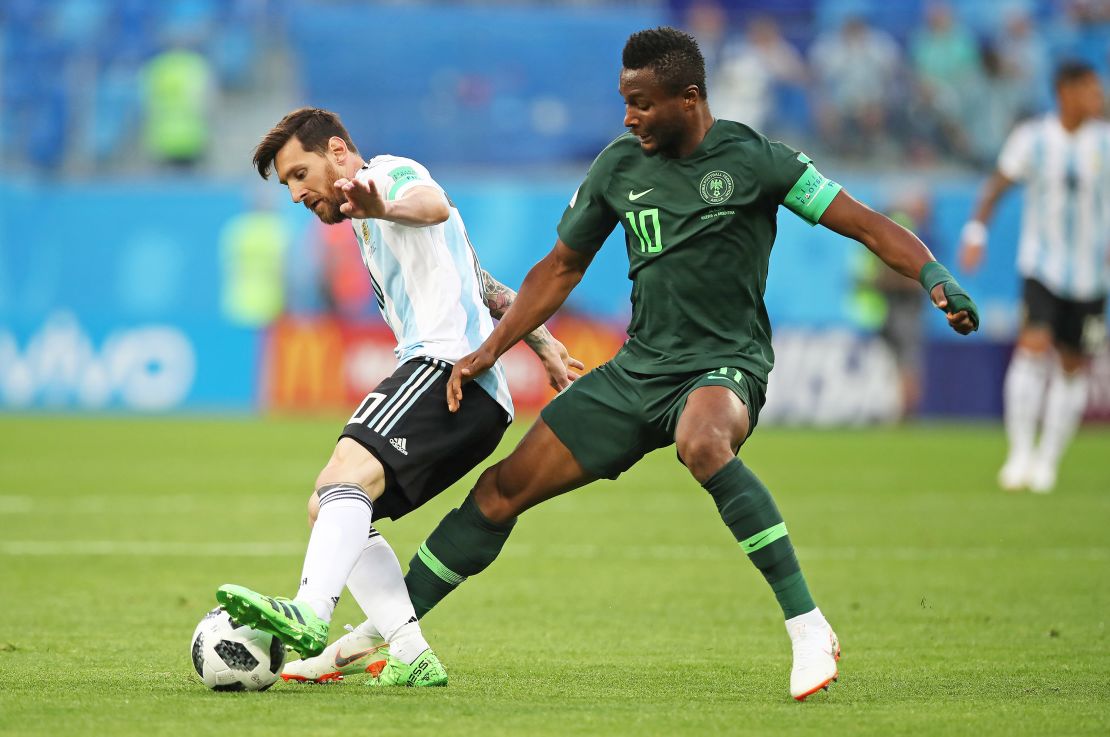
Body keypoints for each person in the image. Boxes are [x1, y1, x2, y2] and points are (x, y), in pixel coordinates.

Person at [401, 27, 979, 702]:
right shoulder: (617, 168)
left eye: (642, 103)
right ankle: (382, 630)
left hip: (725, 364)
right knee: (502, 489)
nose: (629, 116)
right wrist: (488, 351)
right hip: (637, 370)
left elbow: (868, 224)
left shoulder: (758, 159)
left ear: (690, 97)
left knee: (702, 443)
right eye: (625, 101)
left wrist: (934, 274)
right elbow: (560, 269)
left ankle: (808, 627)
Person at [215, 108, 582, 687]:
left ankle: (310, 611)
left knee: (343, 477)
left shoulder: (388, 175)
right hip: (476, 396)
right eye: (287, 183)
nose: (294, 193)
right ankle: (411, 652)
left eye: (298, 173)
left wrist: (381, 203)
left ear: (338, 151)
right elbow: (481, 284)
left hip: (443, 371)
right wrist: (546, 343)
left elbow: (430, 202)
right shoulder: (367, 218)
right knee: (330, 506)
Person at [959, 61, 1109, 494]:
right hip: (1041, 265)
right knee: (1032, 348)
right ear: (1065, 91)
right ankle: (1020, 453)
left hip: (1092, 276)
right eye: (1090, 89)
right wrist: (976, 231)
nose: (1097, 98)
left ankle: (1048, 460)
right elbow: (997, 186)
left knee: (1072, 365)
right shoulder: (1034, 138)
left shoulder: (1105, 141)